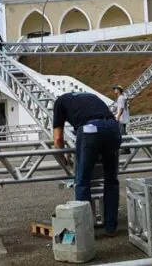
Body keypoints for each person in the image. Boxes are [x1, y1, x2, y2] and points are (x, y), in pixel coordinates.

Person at [53, 92, 122, 236]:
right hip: (113, 128)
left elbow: (58, 139)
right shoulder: (89, 97)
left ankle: (86, 230)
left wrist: (65, 162)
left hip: (90, 129)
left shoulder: (59, 102)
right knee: (111, 180)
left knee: (82, 181)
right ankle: (110, 228)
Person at [112, 85, 130, 155]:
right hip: (123, 118)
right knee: (123, 133)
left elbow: (121, 108)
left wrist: (118, 117)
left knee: (122, 134)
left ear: (119, 90)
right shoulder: (122, 98)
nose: (114, 90)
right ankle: (126, 148)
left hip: (121, 119)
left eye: (115, 89)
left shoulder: (121, 98)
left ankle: (125, 149)